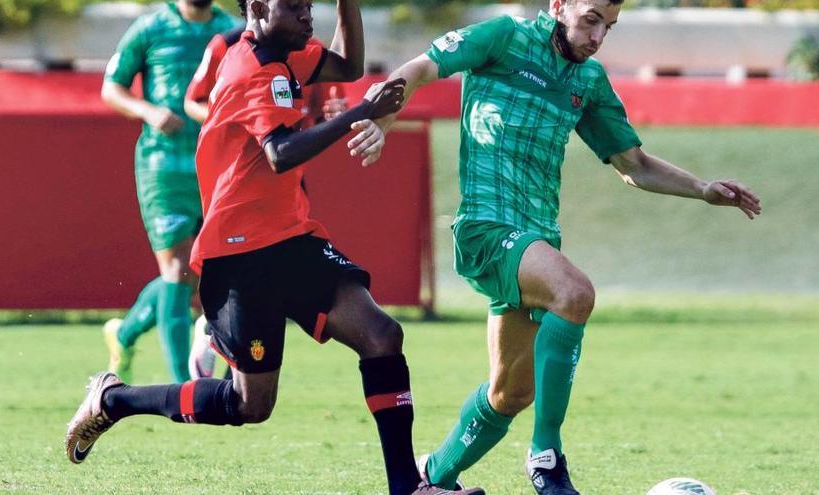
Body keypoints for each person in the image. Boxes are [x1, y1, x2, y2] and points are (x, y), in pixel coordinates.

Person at [66, 1, 481, 494]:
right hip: (240, 255)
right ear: (259, 7)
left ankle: (407, 487)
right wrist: (362, 112)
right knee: (250, 405)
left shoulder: (285, 53)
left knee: (382, 335)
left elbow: (347, 66)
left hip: (293, 239)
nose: (308, 14)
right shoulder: (250, 68)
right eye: (297, 6)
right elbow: (281, 154)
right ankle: (114, 400)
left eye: (311, 5)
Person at [349, 0, 762, 493]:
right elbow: (417, 71)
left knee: (510, 393)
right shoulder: (502, 37)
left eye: (608, 26)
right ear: (558, 6)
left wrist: (702, 189)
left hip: (535, 240)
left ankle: (431, 477)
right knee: (575, 292)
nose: (597, 37)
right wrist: (383, 120)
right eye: (590, 19)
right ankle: (546, 459)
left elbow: (634, 164)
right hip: (485, 228)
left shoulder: (588, 81)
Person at [182, 22, 348, 380]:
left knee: (278, 281)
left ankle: (228, 349)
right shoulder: (227, 46)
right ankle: (218, 335)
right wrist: (237, 118)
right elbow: (196, 101)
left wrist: (331, 116)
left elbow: (313, 111)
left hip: (288, 176)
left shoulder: (304, 46)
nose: (303, 11)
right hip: (241, 179)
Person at [99, 0, 240, 384]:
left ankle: (124, 334)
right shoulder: (150, 28)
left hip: (217, 167)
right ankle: (185, 388)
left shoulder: (233, 30)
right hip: (163, 167)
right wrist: (148, 111)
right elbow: (112, 88)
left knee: (204, 274)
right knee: (177, 270)